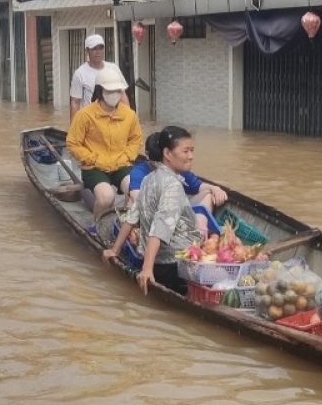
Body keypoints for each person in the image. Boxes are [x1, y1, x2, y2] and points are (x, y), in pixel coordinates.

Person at [103, 125, 204, 296]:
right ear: (167, 154)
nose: (191, 156)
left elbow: (132, 216)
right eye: (186, 151)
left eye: (192, 151)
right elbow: (160, 228)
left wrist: (115, 249)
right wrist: (147, 269)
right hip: (178, 267)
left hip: (159, 263)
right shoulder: (172, 185)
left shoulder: (149, 178)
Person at [65, 64, 142, 221]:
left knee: (136, 192)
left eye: (117, 91)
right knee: (107, 197)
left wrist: (127, 157)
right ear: (100, 91)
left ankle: (125, 224)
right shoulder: (85, 115)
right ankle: (98, 224)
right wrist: (91, 158)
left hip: (121, 164)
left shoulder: (129, 115)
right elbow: (73, 143)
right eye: (109, 91)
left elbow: (136, 140)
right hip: (95, 167)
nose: (114, 95)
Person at [124, 131, 227, 234]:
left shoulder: (177, 167)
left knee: (208, 194)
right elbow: (138, 199)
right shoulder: (140, 172)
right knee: (132, 203)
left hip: (177, 214)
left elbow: (198, 186)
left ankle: (200, 230)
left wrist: (215, 189)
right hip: (154, 217)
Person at [69, 33, 128, 118]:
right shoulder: (80, 74)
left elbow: (122, 94)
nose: (98, 52)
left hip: (113, 117)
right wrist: (74, 125)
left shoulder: (114, 68)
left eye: (101, 48)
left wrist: (128, 118)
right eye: (94, 49)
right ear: (87, 51)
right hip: (91, 118)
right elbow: (75, 102)